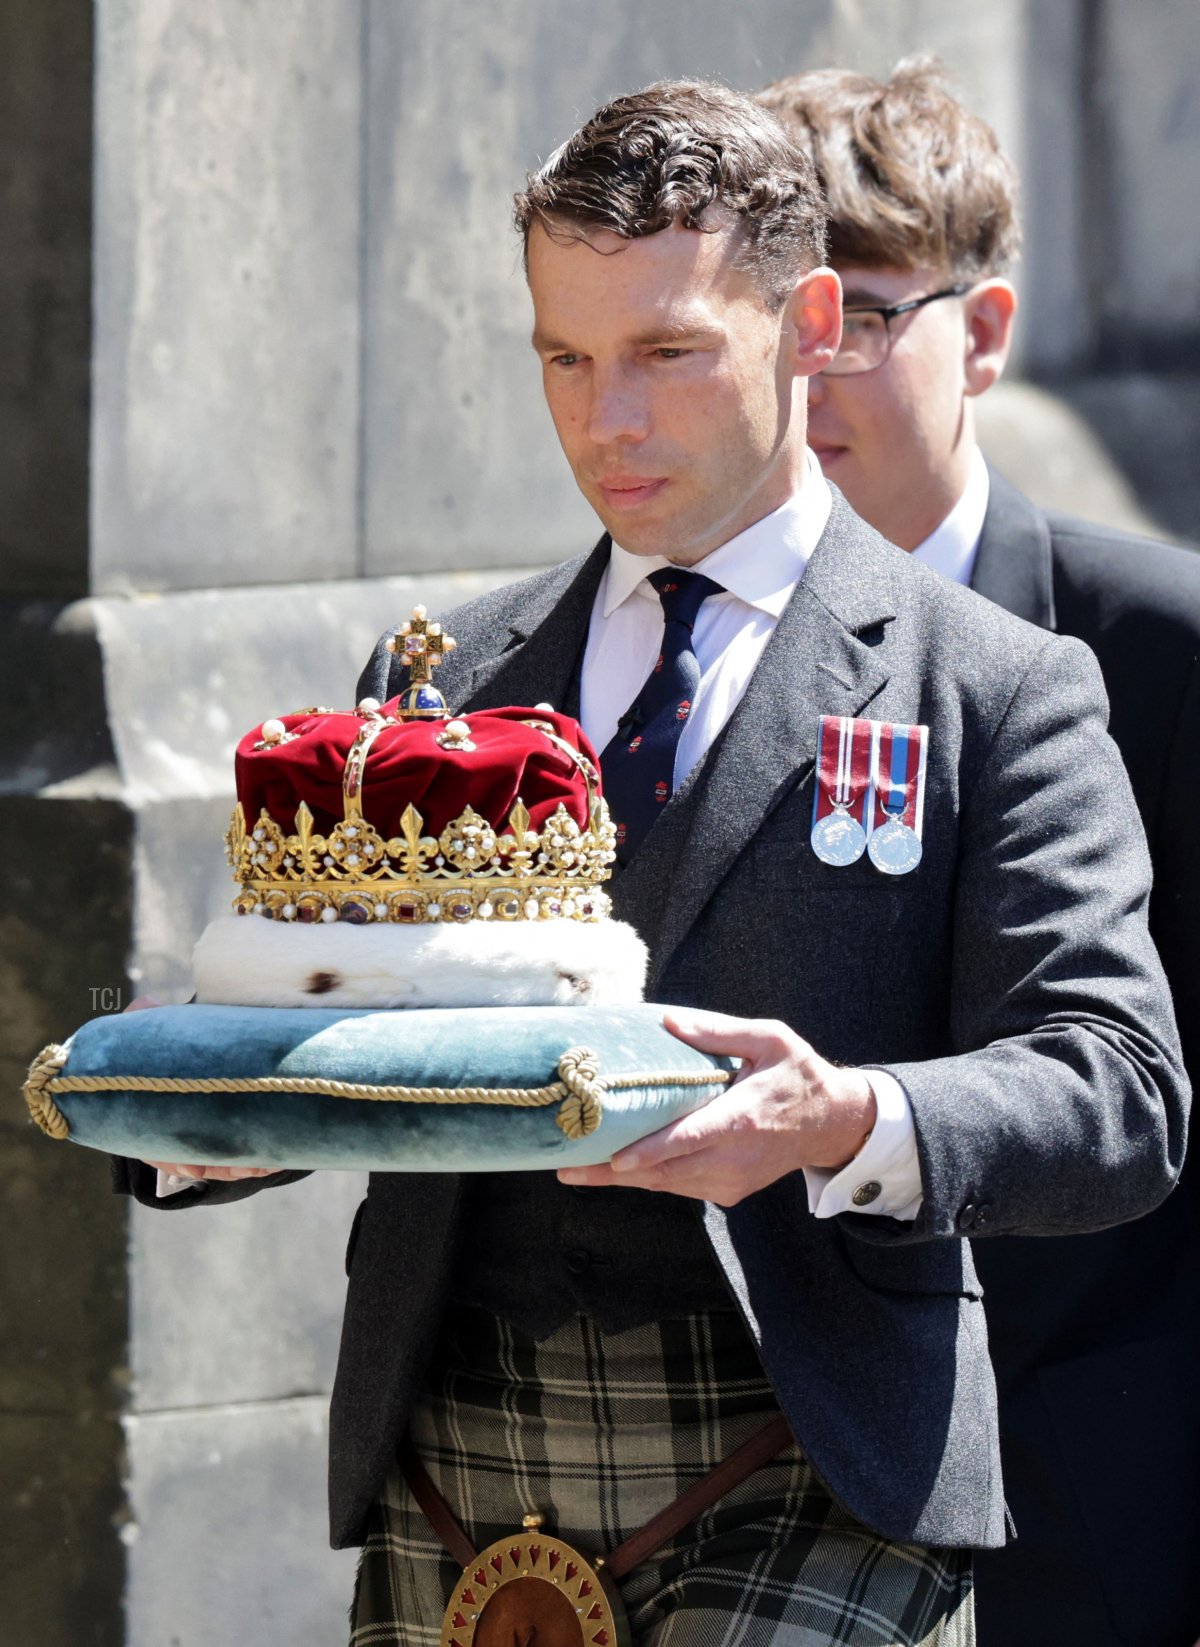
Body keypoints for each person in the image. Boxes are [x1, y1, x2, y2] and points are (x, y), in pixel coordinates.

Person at [115, 81, 1188, 1647]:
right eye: (566, 356)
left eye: (668, 353)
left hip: (815, 1460)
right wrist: (211, 1111)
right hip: (450, 1451)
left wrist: (849, 1119)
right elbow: (356, 997)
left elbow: (1120, 1089)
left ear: (809, 321)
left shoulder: (994, 684)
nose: (607, 420)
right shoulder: (445, 674)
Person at [756, 56, 1200, 1647]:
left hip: (1085, 1516)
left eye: (865, 317)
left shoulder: (1161, 646)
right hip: (743, 1514)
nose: (811, 380)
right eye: (779, 322)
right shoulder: (668, 655)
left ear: (988, 335)